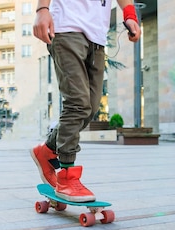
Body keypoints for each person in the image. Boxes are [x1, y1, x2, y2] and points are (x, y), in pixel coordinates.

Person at [31, 0, 141, 202]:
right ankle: (66, 175)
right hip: (66, 27)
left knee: (89, 108)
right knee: (78, 103)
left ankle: (47, 150)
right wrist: (42, 9)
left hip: (97, 36)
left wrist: (130, 14)